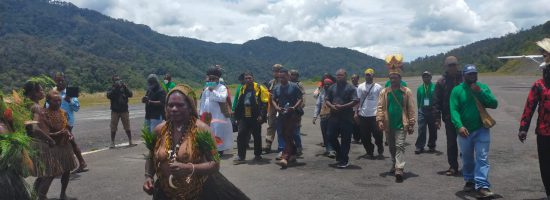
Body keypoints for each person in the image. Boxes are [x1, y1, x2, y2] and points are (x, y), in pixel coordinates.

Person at [142, 85, 249, 200]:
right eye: (170, 105)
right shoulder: (159, 130)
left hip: (198, 193)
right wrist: (148, 177)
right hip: (166, 193)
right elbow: (151, 156)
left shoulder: (201, 130)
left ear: (190, 107)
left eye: (180, 105)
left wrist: (189, 168)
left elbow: (215, 164)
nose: (174, 109)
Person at [450, 64, 498, 198]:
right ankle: (470, 180)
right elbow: (453, 110)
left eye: (474, 74)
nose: (473, 76)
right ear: (464, 75)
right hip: (465, 131)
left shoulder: (482, 87)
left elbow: (494, 104)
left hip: (482, 129)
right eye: (470, 74)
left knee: (482, 157)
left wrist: (480, 92)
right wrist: (459, 125)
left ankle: (482, 185)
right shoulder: (457, 90)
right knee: (467, 157)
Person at [518, 38, 550, 199]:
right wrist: (523, 128)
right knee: (545, 166)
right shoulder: (538, 85)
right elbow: (529, 107)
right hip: (544, 133)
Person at [376, 54, 416, 182]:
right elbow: (380, 107)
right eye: (391, 77)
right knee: (392, 147)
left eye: (395, 77)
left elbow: (411, 109)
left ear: (400, 78)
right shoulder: (384, 92)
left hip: (401, 124)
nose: (393, 79)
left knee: (400, 146)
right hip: (388, 124)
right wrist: (380, 120)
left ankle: (399, 168)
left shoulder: (406, 91)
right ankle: (394, 162)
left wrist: (411, 123)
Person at [36, 90, 78, 200]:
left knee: (67, 170)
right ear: (48, 101)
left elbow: (66, 127)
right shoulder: (44, 114)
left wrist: (69, 134)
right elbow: (45, 134)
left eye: (59, 100)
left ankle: (63, 194)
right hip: (52, 147)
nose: (58, 103)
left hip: (65, 145)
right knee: (52, 173)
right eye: (55, 101)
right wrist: (58, 133)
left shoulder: (63, 112)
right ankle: (42, 196)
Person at [433, 56, 463, 176]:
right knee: (451, 143)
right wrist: (437, 118)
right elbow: (436, 101)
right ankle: (453, 167)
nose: (452, 67)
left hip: (464, 116)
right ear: (446, 67)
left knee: (466, 142)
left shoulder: (464, 78)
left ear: (457, 65)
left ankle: (467, 166)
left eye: (454, 65)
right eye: (450, 65)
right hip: (449, 117)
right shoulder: (441, 81)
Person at [52, 72, 87, 173]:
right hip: (54, 122)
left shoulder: (70, 91)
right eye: (58, 80)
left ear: (65, 80)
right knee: (68, 142)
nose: (60, 82)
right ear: (54, 81)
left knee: (63, 143)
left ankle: (67, 166)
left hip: (67, 122)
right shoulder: (53, 92)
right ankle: (80, 163)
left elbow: (77, 108)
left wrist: (69, 100)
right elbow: (47, 105)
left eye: (62, 80)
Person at [325, 69, 359, 168]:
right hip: (334, 117)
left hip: (346, 117)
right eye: (337, 75)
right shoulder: (332, 87)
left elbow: (355, 100)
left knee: (346, 139)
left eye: (341, 75)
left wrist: (342, 106)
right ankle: (340, 154)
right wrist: (331, 106)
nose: (339, 77)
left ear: (345, 76)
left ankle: (344, 160)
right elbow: (327, 99)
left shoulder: (351, 88)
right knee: (330, 136)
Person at [233, 72, 269, 164]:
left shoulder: (260, 88)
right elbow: (239, 103)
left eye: (249, 78)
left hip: (256, 116)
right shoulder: (242, 88)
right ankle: (241, 156)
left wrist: (262, 115)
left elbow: (265, 103)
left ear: (253, 78)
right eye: (246, 78)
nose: (248, 80)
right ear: (244, 79)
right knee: (241, 135)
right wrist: (237, 117)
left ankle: (257, 155)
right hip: (244, 116)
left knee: (256, 135)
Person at [271, 68, 303, 168]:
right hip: (281, 115)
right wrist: (276, 107)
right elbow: (273, 99)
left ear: (288, 77)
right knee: (283, 134)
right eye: (279, 77)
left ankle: (285, 157)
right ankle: (293, 154)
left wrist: (294, 107)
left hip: (292, 115)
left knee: (288, 134)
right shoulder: (276, 88)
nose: (281, 79)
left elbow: (300, 98)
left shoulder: (294, 87)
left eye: (283, 77)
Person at [199, 67, 233, 155]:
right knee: (208, 132)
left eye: (213, 79)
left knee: (218, 132)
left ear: (218, 79)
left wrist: (213, 90)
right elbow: (203, 102)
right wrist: (201, 113)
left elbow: (222, 98)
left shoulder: (222, 88)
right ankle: (210, 149)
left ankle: (219, 151)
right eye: (209, 79)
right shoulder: (206, 89)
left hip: (219, 116)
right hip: (208, 115)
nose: (211, 80)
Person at [355, 68, 384, 159]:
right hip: (363, 114)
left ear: (373, 76)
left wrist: (381, 114)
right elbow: (358, 100)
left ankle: (380, 146)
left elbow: (382, 101)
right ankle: (369, 151)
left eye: (369, 75)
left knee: (377, 134)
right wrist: (356, 112)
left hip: (374, 114)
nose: (367, 76)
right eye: (366, 75)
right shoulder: (360, 86)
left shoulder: (378, 87)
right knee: (364, 136)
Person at [107, 75, 135, 148]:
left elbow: (130, 94)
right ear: (113, 81)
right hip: (115, 111)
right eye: (116, 80)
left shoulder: (124, 87)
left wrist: (125, 87)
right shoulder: (111, 88)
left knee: (127, 126)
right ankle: (112, 142)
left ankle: (130, 141)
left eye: (118, 80)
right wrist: (115, 89)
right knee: (113, 127)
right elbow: (108, 96)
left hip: (124, 110)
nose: (118, 81)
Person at [414, 71, 437, 154]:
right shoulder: (420, 88)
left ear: (430, 77)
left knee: (433, 130)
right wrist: (419, 109)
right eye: (424, 76)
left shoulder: (434, 87)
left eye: (427, 76)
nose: (425, 78)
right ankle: (419, 146)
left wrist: (436, 111)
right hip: (422, 111)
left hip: (432, 111)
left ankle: (432, 145)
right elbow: (418, 100)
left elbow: (437, 99)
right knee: (421, 129)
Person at [263, 64, 282, 153]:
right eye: (274, 70)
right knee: (271, 126)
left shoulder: (285, 81)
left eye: (277, 70)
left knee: (283, 126)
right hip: (272, 107)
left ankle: (283, 146)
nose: (275, 72)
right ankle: (268, 144)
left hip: (282, 106)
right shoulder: (271, 82)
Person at [313, 77, 335, 154]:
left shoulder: (334, 93)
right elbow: (318, 105)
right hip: (323, 116)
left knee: (330, 133)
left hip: (333, 116)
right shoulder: (322, 93)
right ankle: (329, 148)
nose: (326, 86)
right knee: (325, 133)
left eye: (328, 84)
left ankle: (331, 148)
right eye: (325, 84)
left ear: (332, 85)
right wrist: (315, 116)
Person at [289, 69, 304, 156]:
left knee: (296, 131)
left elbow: (302, 97)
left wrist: (299, 108)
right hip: (287, 111)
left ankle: (299, 147)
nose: (292, 76)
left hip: (296, 111)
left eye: (294, 75)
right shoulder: (286, 84)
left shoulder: (299, 85)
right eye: (291, 74)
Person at [351, 74, 361, 144]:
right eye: (352, 78)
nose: (353, 80)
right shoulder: (349, 87)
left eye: (354, 78)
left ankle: (362, 137)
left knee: (359, 124)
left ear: (358, 79)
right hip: (351, 108)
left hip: (359, 108)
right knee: (353, 124)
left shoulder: (360, 87)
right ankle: (356, 138)